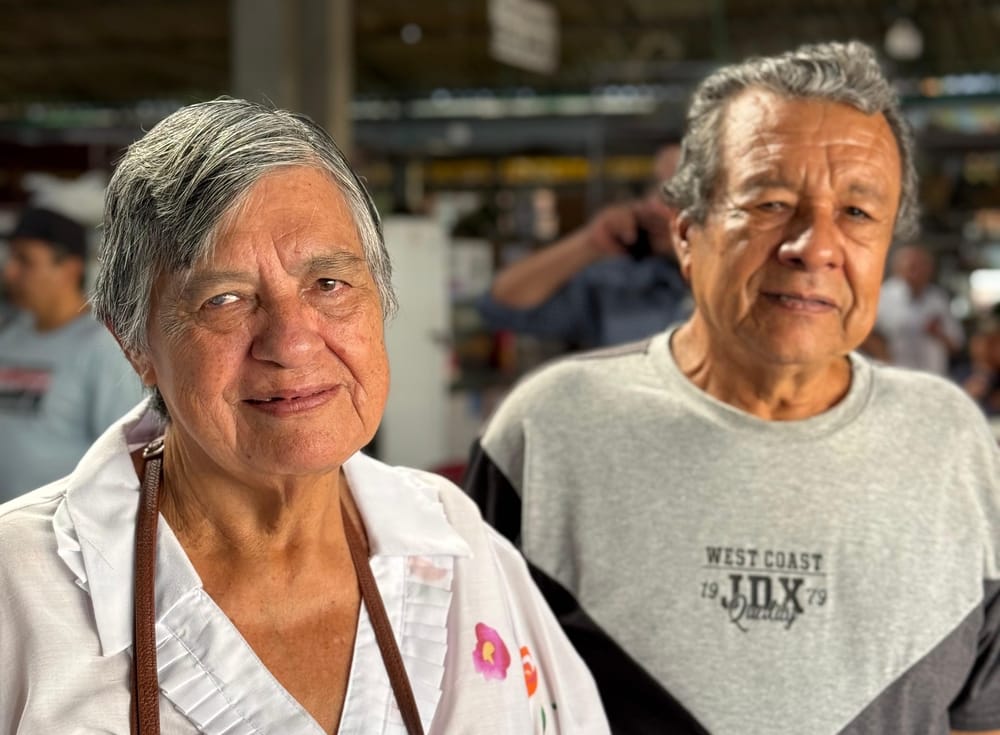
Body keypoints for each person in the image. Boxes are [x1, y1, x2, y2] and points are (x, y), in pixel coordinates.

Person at [0, 99, 609, 734]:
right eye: (226, 299)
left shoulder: (453, 543)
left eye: (328, 285)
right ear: (134, 344)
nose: (291, 342)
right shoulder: (20, 588)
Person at [464, 41, 1000, 734]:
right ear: (688, 234)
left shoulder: (953, 443)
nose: (816, 245)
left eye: (860, 214)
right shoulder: (549, 432)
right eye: (771, 201)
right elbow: (468, 696)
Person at [476, 144, 692, 348]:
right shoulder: (620, 282)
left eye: (676, 193)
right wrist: (589, 243)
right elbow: (500, 307)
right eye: (655, 190)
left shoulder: (722, 290)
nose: (655, 205)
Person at [0, 206, 143, 501]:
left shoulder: (103, 347)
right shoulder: (10, 335)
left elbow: (127, 455)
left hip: (53, 533)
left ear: (70, 268)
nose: (9, 271)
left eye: (24, 260)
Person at [876, 243, 964, 375]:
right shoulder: (883, 297)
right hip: (896, 377)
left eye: (923, 266)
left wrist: (938, 333)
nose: (917, 272)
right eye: (912, 267)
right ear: (898, 268)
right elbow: (867, 338)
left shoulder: (938, 298)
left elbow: (956, 345)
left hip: (933, 377)